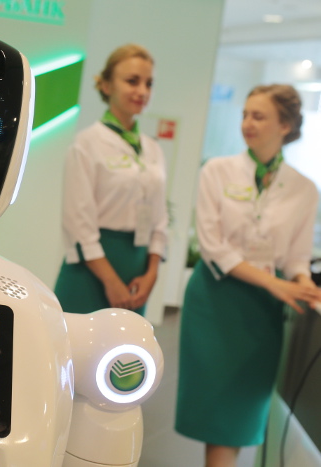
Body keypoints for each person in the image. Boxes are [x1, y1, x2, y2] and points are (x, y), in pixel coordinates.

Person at [175, 84, 321, 467]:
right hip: (214, 300)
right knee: (214, 406)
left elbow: (296, 257)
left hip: (262, 312)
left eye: (258, 116)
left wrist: (303, 283)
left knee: (241, 409)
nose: (247, 123)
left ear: (285, 125)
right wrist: (276, 283)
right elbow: (212, 246)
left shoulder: (305, 189)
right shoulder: (217, 170)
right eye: (244, 115)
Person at [54, 43, 168, 315]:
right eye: (132, 81)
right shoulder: (87, 143)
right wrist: (110, 281)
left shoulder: (153, 149)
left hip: (137, 271)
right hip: (91, 270)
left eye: (149, 83)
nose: (142, 91)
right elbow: (78, 222)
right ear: (106, 86)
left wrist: (152, 273)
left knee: (129, 343)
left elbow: (160, 218)